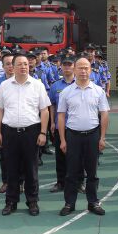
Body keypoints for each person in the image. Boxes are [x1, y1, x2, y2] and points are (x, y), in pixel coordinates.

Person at [0, 54, 51, 216]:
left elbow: (44, 110)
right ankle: (11, 202)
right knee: (11, 169)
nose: (23, 67)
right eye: (19, 64)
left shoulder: (37, 85)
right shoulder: (4, 86)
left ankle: (32, 201)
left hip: (31, 132)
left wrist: (43, 132)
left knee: (31, 169)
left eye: (26, 64)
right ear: (13, 66)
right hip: (9, 132)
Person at [57, 57, 111, 217]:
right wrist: (62, 139)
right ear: (74, 70)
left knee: (92, 172)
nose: (83, 71)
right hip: (72, 135)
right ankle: (69, 203)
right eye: (79, 68)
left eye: (86, 68)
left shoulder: (98, 91)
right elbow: (61, 116)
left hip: (92, 135)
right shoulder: (66, 92)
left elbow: (104, 114)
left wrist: (102, 137)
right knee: (71, 172)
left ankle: (93, 202)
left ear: (91, 70)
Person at [48, 54, 76, 193]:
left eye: (69, 65)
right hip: (61, 126)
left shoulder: (80, 84)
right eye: (64, 65)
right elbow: (52, 105)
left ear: (74, 66)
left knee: (78, 156)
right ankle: (60, 182)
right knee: (60, 155)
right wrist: (52, 122)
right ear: (61, 67)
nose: (67, 67)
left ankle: (79, 182)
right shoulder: (55, 86)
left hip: (76, 126)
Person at [0, 52, 16, 193]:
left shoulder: (28, 80)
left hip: (20, 124)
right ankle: (6, 182)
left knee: (21, 157)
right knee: (5, 156)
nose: (10, 67)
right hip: (4, 124)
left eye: (13, 63)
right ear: (3, 66)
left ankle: (20, 183)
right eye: (7, 64)